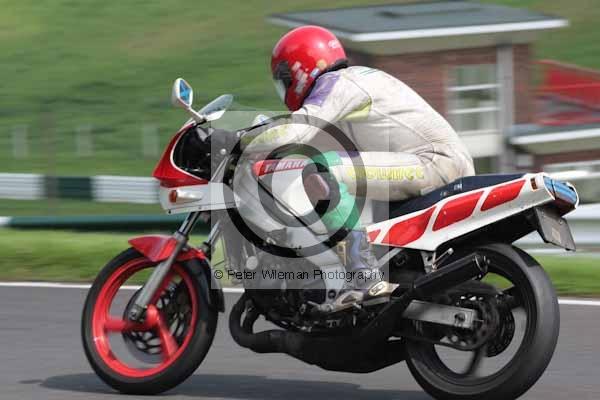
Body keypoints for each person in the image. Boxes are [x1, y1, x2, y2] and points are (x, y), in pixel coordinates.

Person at [243, 25, 474, 300]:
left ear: (300, 70)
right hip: (435, 162)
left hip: (433, 162)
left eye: (285, 79)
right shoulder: (348, 86)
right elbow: (310, 142)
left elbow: (297, 130)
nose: (285, 88)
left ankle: (362, 274)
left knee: (318, 170)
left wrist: (242, 140)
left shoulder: (336, 84)